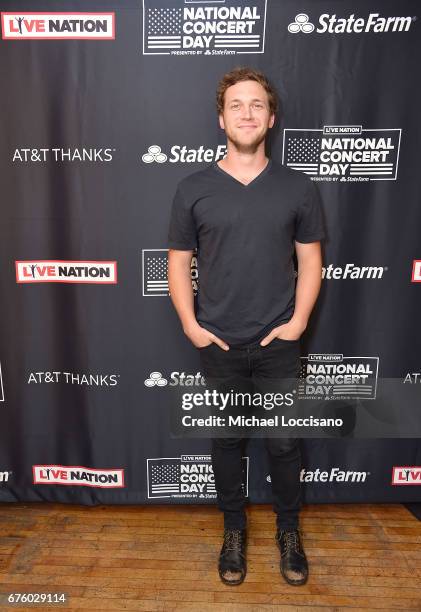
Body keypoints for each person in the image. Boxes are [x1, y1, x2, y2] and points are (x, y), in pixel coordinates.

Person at [167, 67, 326, 587]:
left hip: (278, 342)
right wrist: (191, 325)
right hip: (219, 342)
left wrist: (298, 322)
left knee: (283, 443)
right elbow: (177, 263)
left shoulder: (297, 188)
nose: (247, 113)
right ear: (221, 118)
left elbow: (310, 261)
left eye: (256, 104)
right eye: (237, 105)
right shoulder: (193, 187)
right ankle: (233, 532)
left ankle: (288, 531)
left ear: (271, 117)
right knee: (228, 441)